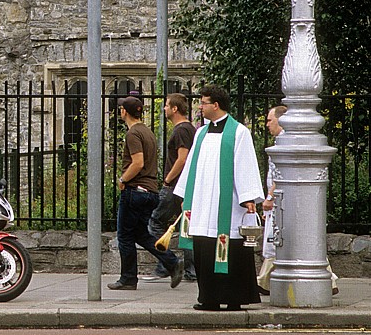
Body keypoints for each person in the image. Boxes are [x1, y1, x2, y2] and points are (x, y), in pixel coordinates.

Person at [174, 85, 264, 311]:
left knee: (230, 248)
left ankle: (234, 298)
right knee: (204, 246)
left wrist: (248, 197)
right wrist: (186, 195)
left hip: (229, 205)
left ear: (216, 105)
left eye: (203, 103)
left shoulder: (239, 132)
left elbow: (245, 165)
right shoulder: (201, 133)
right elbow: (191, 165)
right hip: (204, 204)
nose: (199, 107)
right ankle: (209, 298)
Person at [256, 105, 339, 295]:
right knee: (279, 242)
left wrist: (270, 197)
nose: (267, 124)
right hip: (283, 199)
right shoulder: (280, 141)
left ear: (281, 119)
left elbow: (283, 174)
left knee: (277, 241)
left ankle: (264, 282)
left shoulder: (285, 141)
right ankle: (265, 282)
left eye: (270, 120)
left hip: (283, 200)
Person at [107, 96, 184, 291]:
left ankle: (128, 278)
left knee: (124, 236)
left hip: (135, 191)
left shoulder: (133, 133)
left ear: (124, 111)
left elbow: (138, 162)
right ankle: (172, 262)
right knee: (141, 234)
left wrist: (123, 180)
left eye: (121, 109)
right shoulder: (147, 132)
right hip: (150, 191)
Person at [145, 93, 197, 282]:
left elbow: (182, 159)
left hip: (175, 186)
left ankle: (167, 264)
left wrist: (167, 179)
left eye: (167, 105)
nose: (164, 109)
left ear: (175, 109)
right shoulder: (191, 129)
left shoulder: (181, 130)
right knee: (186, 227)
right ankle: (191, 271)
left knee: (154, 222)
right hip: (183, 186)